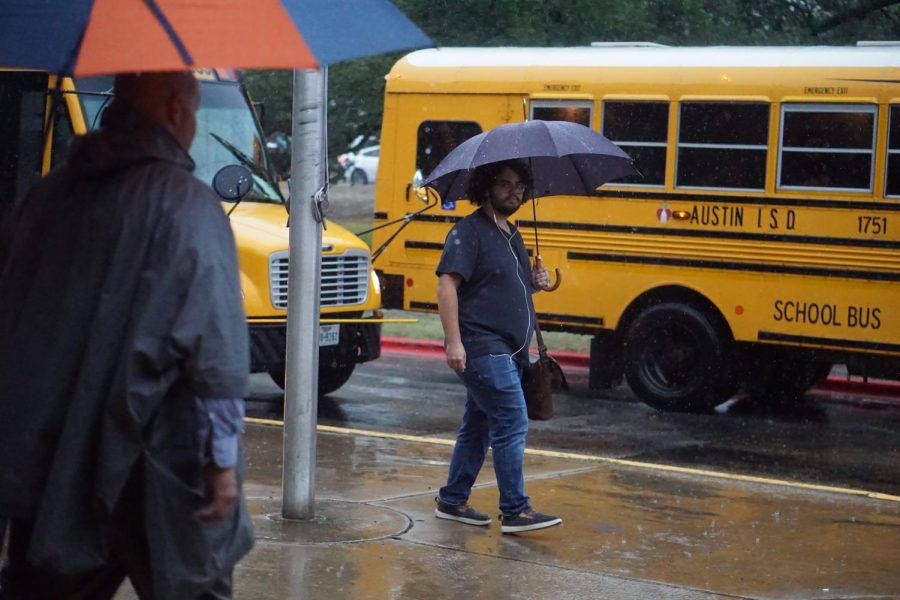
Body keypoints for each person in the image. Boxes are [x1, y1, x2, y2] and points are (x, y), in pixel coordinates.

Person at [0, 71, 253, 599]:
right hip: (162, 456)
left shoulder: (47, 196)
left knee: (48, 586)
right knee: (191, 587)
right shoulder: (189, 204)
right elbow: (216, 348)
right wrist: (222, 461)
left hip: (55, 449)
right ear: (175, 111)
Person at [434, 159, 562, 534]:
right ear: (487, 187)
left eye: (521, 186)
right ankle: (515, 510)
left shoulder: (513, 234)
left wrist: (538, 280)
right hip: (481, 346)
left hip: (510, 349)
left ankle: (452, 499)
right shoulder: (468, 231)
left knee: (479, 426)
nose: (515, 192)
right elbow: (447, 286)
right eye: (506, 185)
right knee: (511, 419)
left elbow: (511, 288)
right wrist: (454, 343)